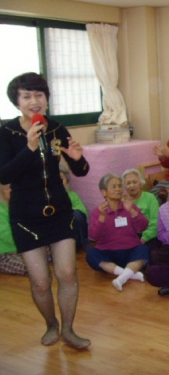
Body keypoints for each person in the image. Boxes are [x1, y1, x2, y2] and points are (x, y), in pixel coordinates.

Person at [0, 72, 90, 349]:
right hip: (25, 217)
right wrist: (28, 147)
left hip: (60, 213)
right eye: (26, 96)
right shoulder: (6, 133)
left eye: (39, 95)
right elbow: (4, 175)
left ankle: (69, 329)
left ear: (47, 100)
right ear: (17, 103)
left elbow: (81, 170)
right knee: (40, 282)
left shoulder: (57, 129)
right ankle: (51, 324)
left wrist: (78, 160)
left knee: (67, 274)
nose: (34, 101)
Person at [86, 173, 150, 291]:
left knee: (144, 249)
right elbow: (93, 236)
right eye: (114, 186)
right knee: (91, 254)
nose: (118, 189)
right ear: (104, 192)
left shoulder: (130, 206)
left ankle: (122, 277)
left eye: (120, 186)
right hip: (108, 253)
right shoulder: (98, 212)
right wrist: (102, 217)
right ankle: (129, 274)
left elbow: (143, 227)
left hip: (131, 250)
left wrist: (132, 211)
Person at [122, 168, 159, 248]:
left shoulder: (150, 198)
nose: (132, 185)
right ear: (124, 186)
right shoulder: (122, 201)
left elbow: (155, 222)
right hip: (129, 237)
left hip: (149, 236)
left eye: (135, 182)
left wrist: (143, 239)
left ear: (141, 183)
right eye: (128, 183)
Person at [59, 164, 90, 252]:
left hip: (72, 223)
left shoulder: (73, 195)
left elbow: (83, 211)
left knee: (78, 215)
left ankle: (84, 242)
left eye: (61, 179)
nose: (59, 181)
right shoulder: (49, 197)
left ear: (66, 180)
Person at [0, 184, 27, 275]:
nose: (12, 191)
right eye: (8, 189)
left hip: (23, 248)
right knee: (31, 267)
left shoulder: (20, 207)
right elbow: (7, 235)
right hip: (5, 254)